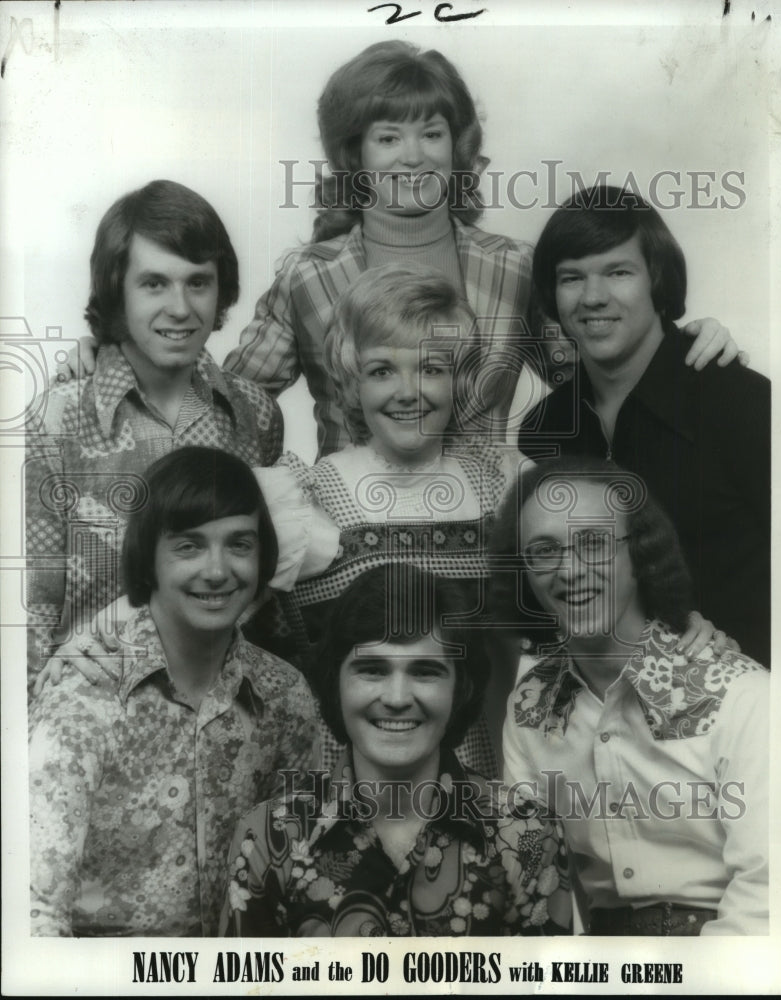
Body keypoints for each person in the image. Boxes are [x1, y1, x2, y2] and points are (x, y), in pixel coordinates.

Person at [64, 43, 742, 454]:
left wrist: (681, 346)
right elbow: (232, 405)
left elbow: (596, 377)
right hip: (349, 541)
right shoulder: (309, 276)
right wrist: (116, 354)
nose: (412, 156)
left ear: (458, 147)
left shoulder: (511, 266)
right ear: (352, 155)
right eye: (387, 136)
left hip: (488, 541)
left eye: (432, 132)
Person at [29, 447, 317, 936]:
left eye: (240, 544)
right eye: (189, 546)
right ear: (150, 560)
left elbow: (294, 879)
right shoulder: (83, 697)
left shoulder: (284, 698)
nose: (218, 569)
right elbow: (35, 909)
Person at [251, 263, 526, 775]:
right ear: (354, 383)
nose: (407, 391)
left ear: (458, 377)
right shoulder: (305, 499)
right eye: (382, 371)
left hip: (476, 775)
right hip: (347, 782)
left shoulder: (502, 482)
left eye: (431, 368)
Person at [490, 457, 769, 936]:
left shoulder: (740, 694)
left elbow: (770, 891)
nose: (569, 570)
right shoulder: (529, 710)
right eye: (543, 550)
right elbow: (534, 881)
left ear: (641, 556)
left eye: (594, 543)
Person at [219, 564, 572, 937]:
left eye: (425, 671)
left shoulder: (527, 832)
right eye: (372, 670)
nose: (398, 698)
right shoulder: (269, 837)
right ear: (334, 683)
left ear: (461, 689)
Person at [25, 179, 283, 685]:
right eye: (155, 284)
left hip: (221, 711)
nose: (181, 308)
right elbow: (31, 612)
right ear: (117, 291)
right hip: (98, 708)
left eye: (198, 281)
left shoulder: (255, 415)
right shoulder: (56, 421)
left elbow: (261, 583)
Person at [517, 185, 770, 665]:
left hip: (750, 696)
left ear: (657, 279)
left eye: (617, 272)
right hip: (608, 703)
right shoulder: (543, 429)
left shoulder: (742, 402)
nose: (593, 297)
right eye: (571, 277)